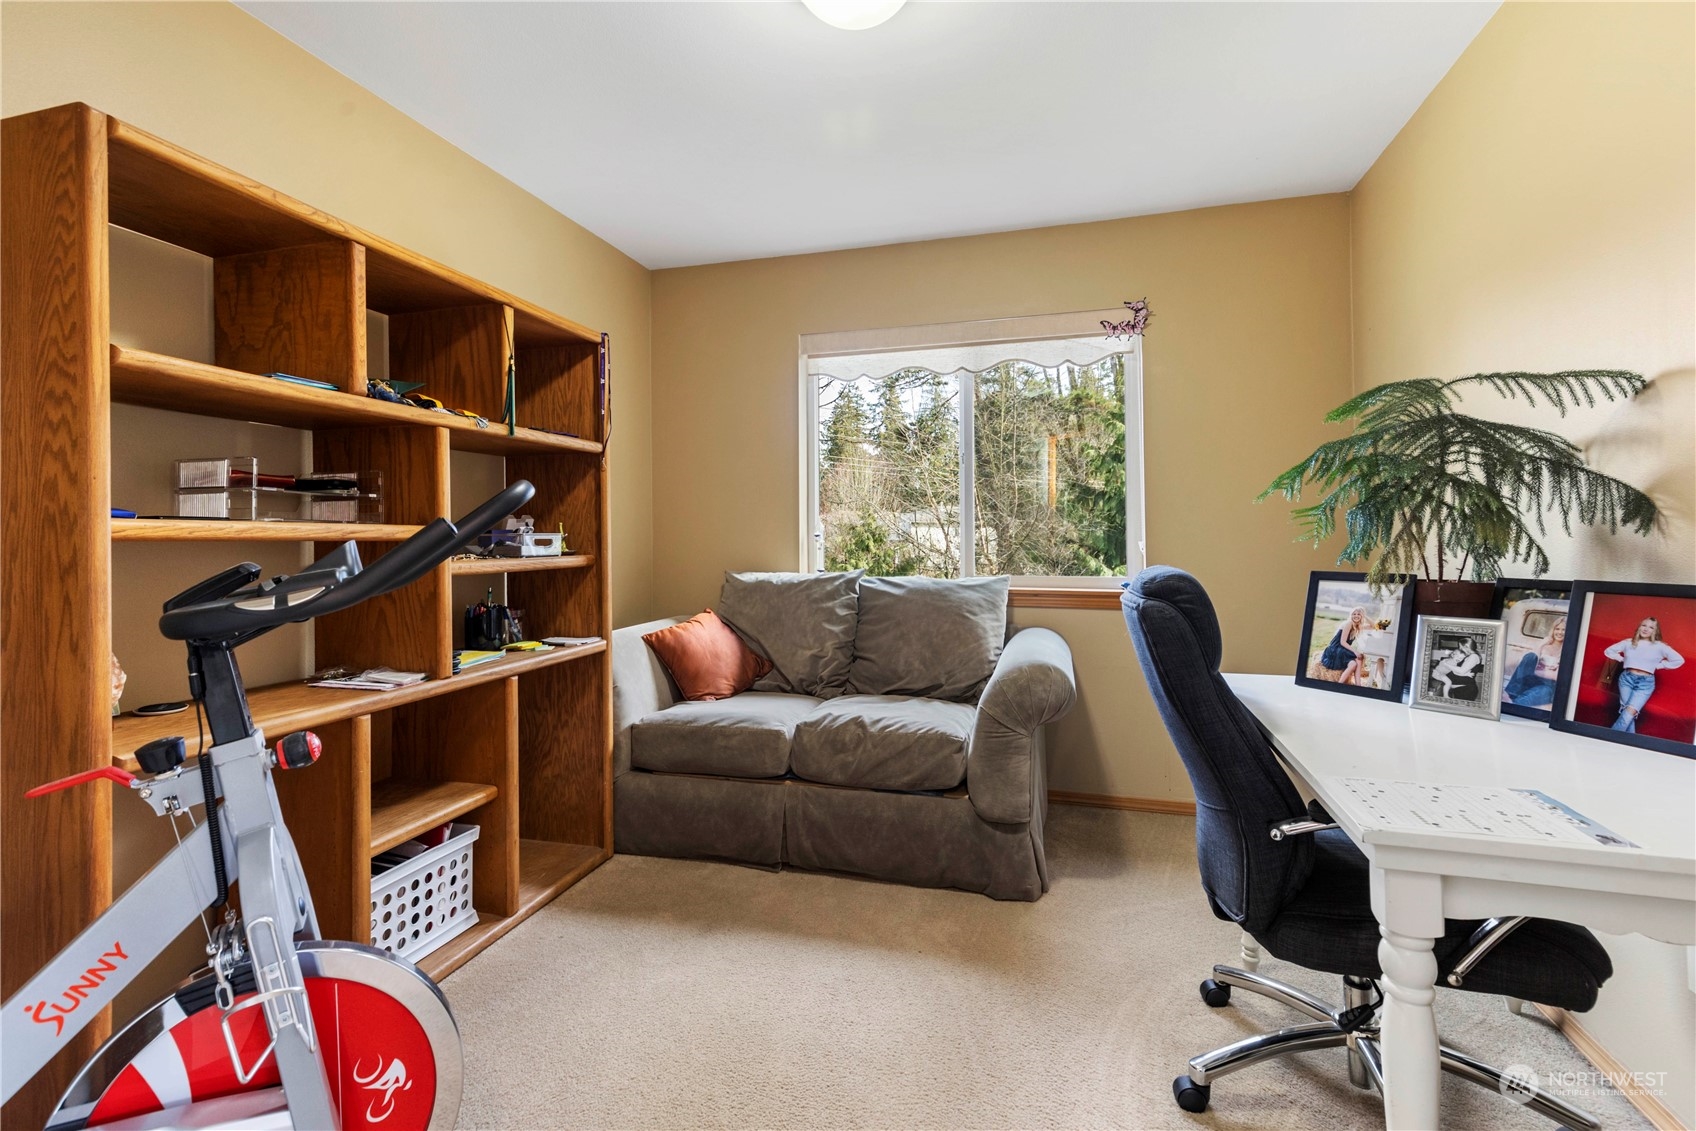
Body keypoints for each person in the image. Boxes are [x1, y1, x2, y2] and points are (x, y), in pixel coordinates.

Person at [1604, 617, 1685, 732]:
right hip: (1626, 679)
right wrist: (1623, 660)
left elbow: (1679, 660)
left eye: (1651, 627)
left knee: (1628, 713)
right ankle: (1628, 745)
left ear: (1655, 631)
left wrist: (1658, 666)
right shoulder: (1629, 642)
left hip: (1645, 683)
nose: (1646, 629)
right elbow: (1609, 651)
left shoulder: (1660, 646)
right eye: (1644, 625)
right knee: (1627, 715)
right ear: (1639, 627)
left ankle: (1609, 738)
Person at [1504, 617, 1566, 708]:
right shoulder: (1545, 645)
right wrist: (1541, 644)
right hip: (1531, 679)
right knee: (1531, 656)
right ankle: (1511, 693)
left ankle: (1512, 704)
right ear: (1553, 630)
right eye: (1557, 629)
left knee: (1544, 691)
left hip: (1548, 685)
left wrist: (1535, 671)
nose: (1560, 632)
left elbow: (1556, 676)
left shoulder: (1566, 650)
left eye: (1564, 630)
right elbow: (1528, 660)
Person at [1313, 607, 1369, 685]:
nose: (1356, 616)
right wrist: (1355, 651)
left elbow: (1373, 626)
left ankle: (1354, 685)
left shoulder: (1358, 626)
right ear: (1351, 615)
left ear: (1362, 616)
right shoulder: (1349, 623)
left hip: (1343, 650)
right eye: (1354, 614)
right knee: (1358, 658)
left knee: (1354, 663)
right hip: (1336, 649)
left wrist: (1365, 616)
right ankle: (1350, 685)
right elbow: (1342, 642)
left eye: (1358, 614)